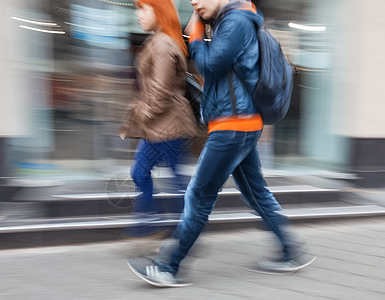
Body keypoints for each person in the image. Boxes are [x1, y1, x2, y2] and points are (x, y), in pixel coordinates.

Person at [127, 0, 316, 287]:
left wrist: (198, 35)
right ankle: (291, 251)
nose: (194, 2)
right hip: (240, 125)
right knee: (256, 193)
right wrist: (202, 32)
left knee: (198, 196)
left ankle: (168, 267)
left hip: (233, 126)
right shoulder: (232, 20)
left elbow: (211, 65)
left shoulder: (236, 21)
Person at [119, 0, 199, 239]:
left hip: (169, 125)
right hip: (163, 125)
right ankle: (154, 223)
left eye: (143, 8)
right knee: (151, 174)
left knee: (160, 177)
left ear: (159, 10)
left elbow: (160, 94)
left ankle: (167, 226)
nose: (138, 14)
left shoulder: (163, 44)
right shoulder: (159, 40)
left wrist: (136, 119)